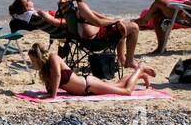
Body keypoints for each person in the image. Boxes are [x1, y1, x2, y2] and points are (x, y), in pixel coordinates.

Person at [26, 43, 154, 98]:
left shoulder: (54, 58)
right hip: (87, 89)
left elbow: (58, 75)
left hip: (88, 85)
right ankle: (141, 75)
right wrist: (48, 94)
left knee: (125, 91)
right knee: (119, 85)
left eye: (33, 61)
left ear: (39, 58)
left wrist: (52, 96)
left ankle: (139, 68)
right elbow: (52, 87)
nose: (32, 64)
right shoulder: (45, 71)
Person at [60, 0, 140, 70]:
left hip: (84, 41)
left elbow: (98, 15)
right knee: (134, 27)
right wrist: (115, 21)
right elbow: (98, 22)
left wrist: (114, 21)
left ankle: (122, 59)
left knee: (120, 27)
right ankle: (129, 61)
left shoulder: (70, 6)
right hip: (96, 42)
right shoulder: (81, 6)